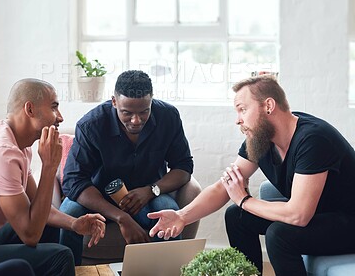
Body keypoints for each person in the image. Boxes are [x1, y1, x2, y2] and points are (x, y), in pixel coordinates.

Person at [148, 74, 355, 276]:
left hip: (348, 222)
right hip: (320, 215)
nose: (238, 120)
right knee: (236, 216)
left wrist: (244, 200)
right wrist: (182, 216)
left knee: (279, 235)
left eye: (242, 110)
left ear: (268, 106)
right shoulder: (261, 139)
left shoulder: (313, 139)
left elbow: (298, 215)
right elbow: (223, 188)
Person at [0, 78, 106, 276]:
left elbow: (38, 206)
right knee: (60, 256)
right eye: (54, 107)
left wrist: (74, 224)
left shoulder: (18, 145)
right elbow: (30, 235)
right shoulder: (1, 153)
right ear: (30, 109)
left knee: (47, 225)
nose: (60, 117)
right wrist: (49, 167)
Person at [60, 70, 194, 265]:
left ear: (151, 101)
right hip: (98, 197)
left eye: (144, 111)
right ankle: (68, 271)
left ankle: (164, 270)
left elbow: (183, 166)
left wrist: (151, 190)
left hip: (150, 192)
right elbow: (74, 180)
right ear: (114, 102)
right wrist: (122, 218)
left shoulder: (168, 116)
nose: (136, 120)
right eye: (127, 113)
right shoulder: (91, 125)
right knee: (69, 211)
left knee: (167, 210)